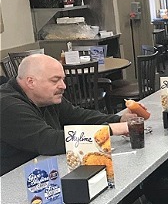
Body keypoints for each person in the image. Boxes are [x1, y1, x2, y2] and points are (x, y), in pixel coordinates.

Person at [0, 54, 135, 175]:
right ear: (31, 82)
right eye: (55, 80)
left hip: (44, 167)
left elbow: (77, 116)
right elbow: (48, 141)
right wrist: (110, 129)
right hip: (13, 182)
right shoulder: (7, 106)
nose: (63, 86)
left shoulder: (48, 96)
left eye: (63, 79)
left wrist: (118, 119)